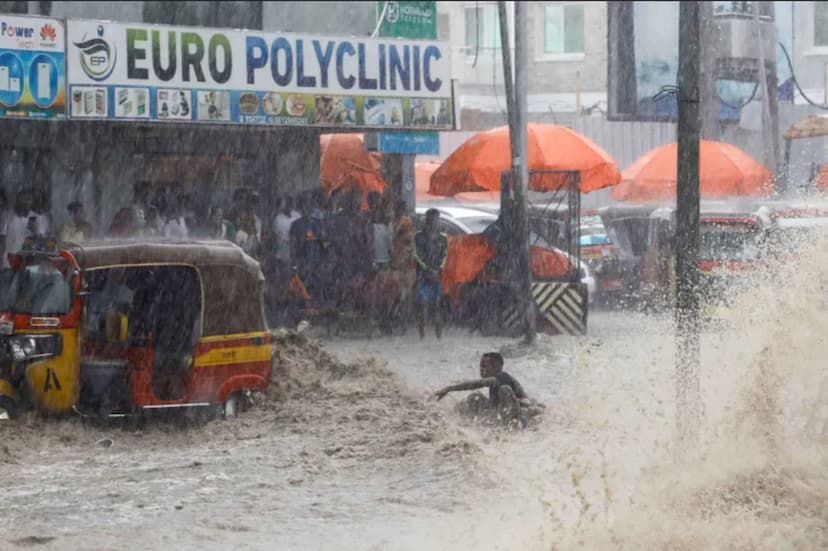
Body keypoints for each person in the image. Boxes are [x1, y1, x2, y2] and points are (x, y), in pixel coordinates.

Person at [434, 352, 530, 427]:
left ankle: (506, 431)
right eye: (480, 366)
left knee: (504, 390)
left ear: (496, 367)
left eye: (484, 366)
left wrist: (449, 388)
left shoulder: (501, 376)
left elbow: (476, 384)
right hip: (506, 414)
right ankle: (454, 421)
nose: (480, 369)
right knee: (475, 398)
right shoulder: (496, 380)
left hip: (522, 419)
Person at [413, 208, 448, 339]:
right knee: (423, 306)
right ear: (427, 220)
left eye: (436, 220)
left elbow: (445, 256)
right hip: (422, 277)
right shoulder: (418, 237)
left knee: (438, 306)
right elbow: (416, 255)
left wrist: (438, 270)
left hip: (437, 277)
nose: (434, 222)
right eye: (432, 219)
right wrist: (427, 269)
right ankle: (422, 336)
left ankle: (439, 337)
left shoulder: (443, 239)